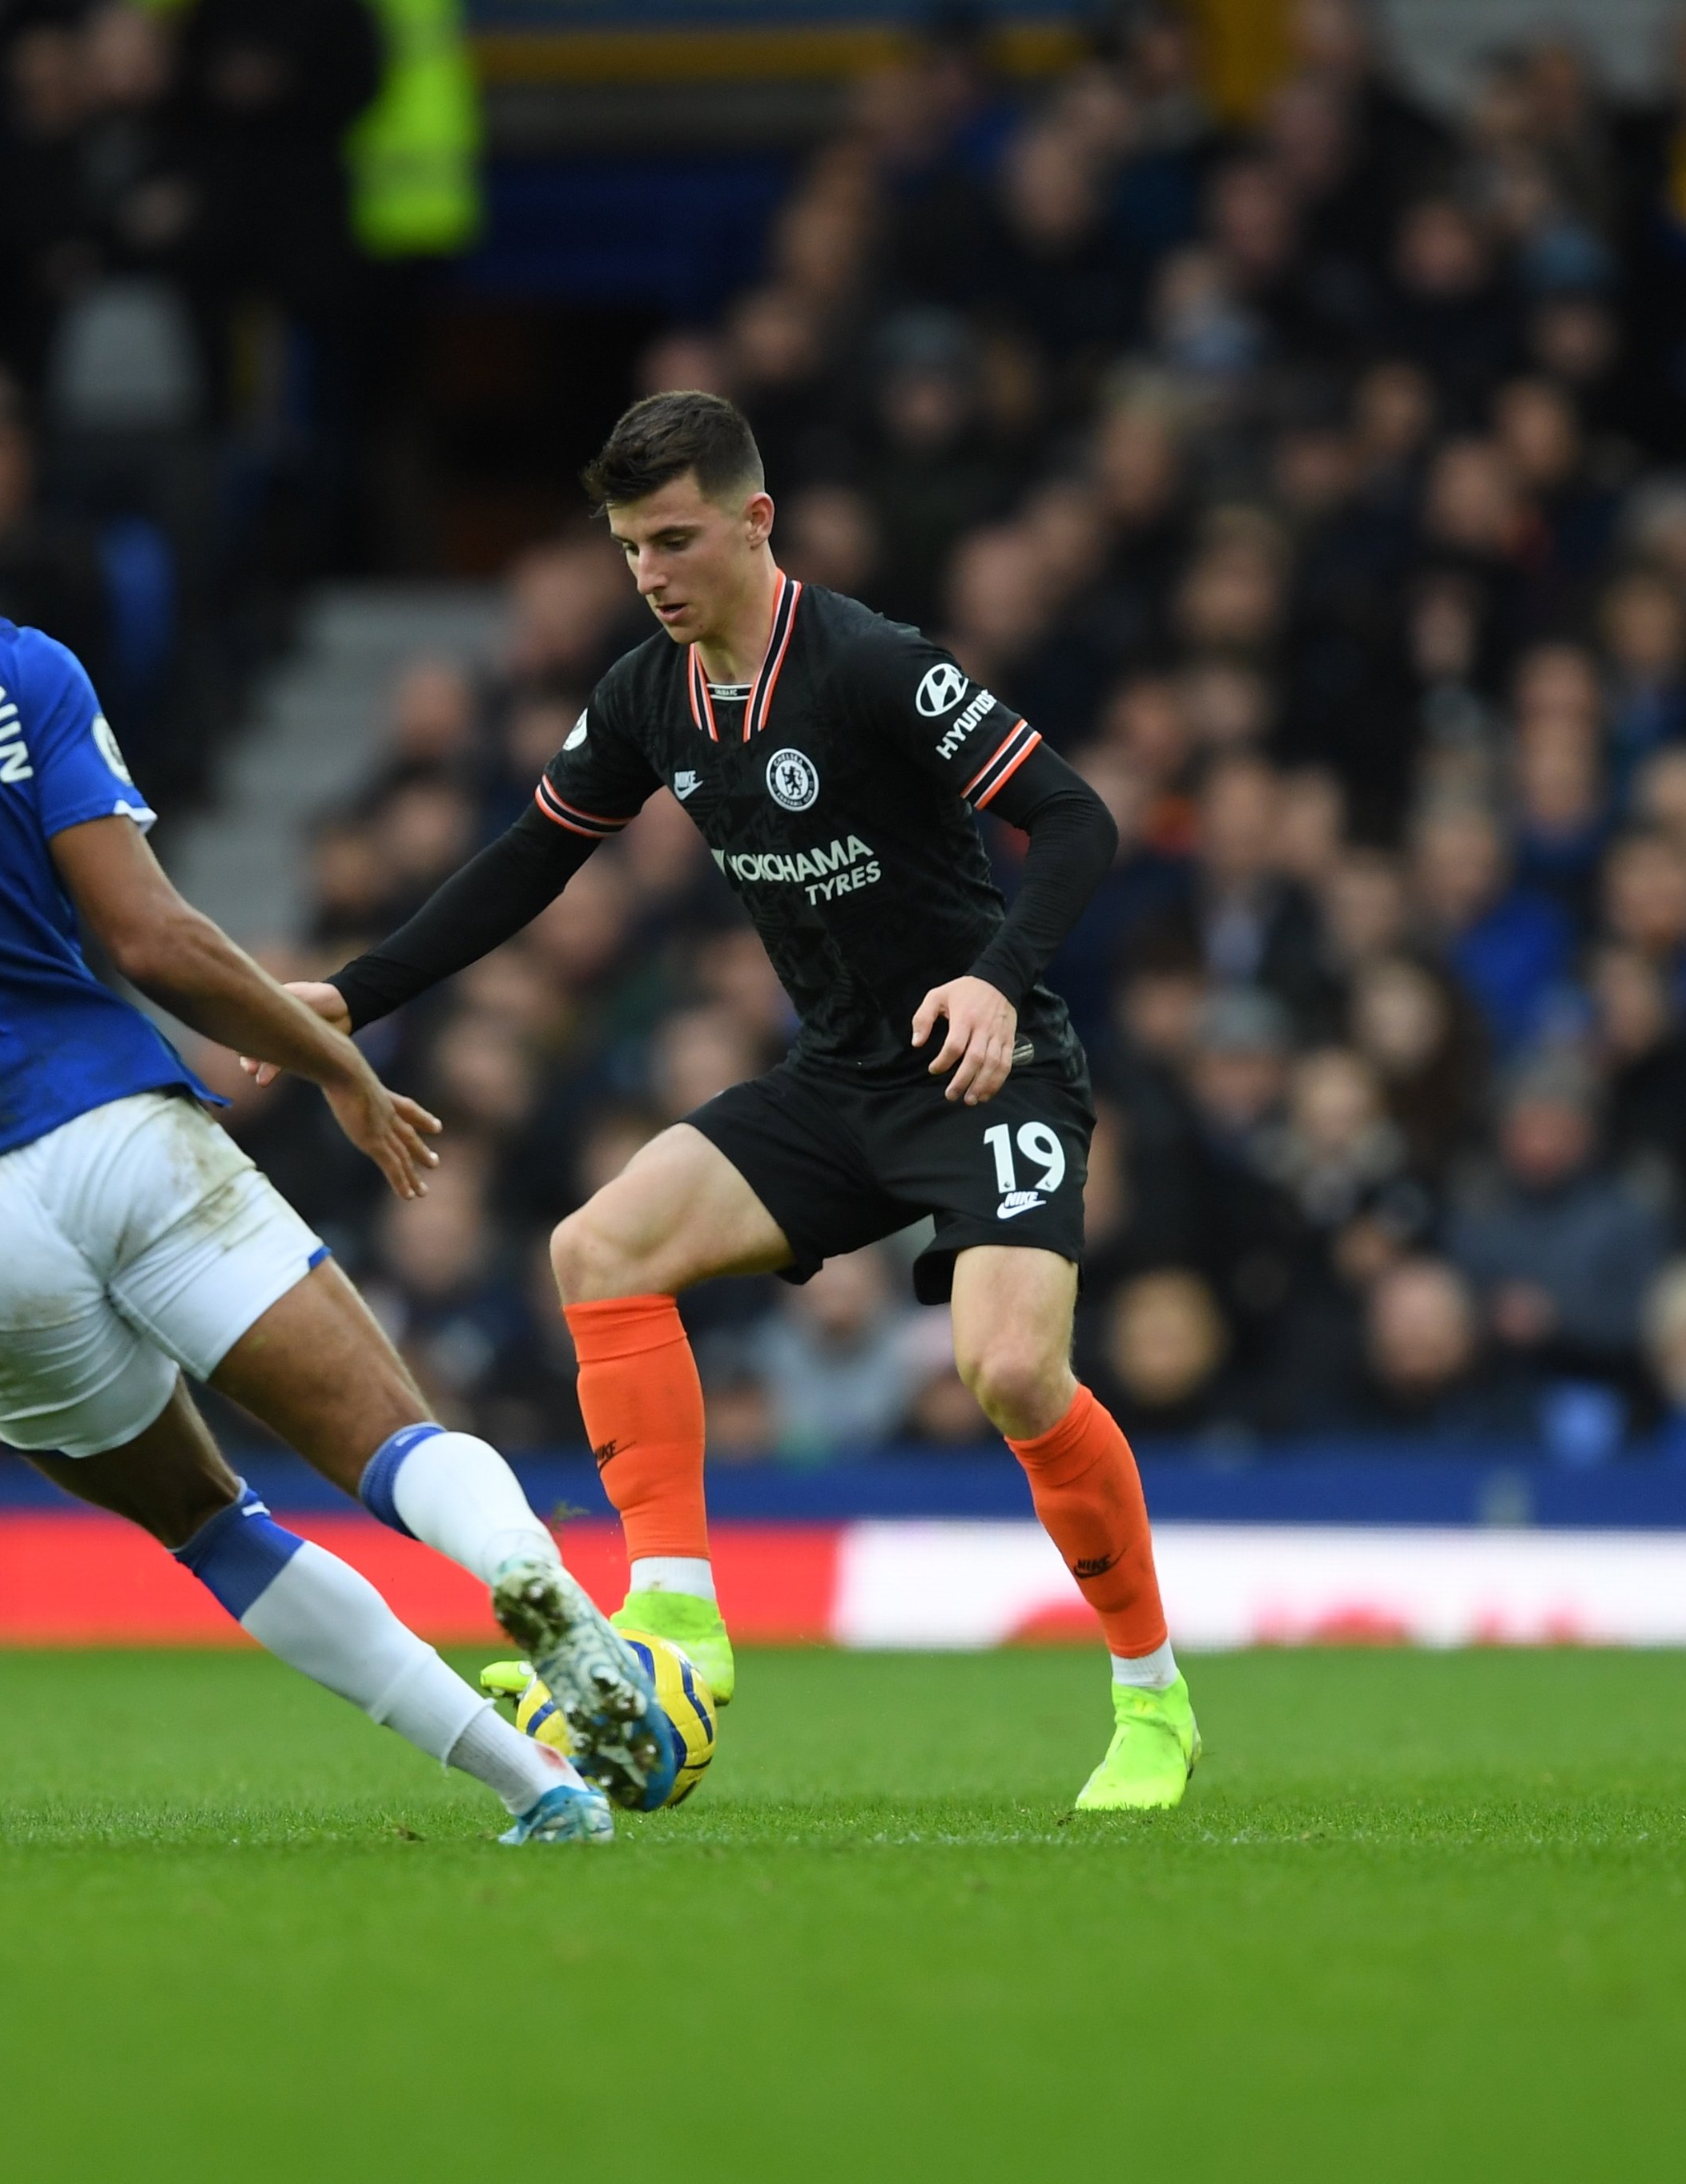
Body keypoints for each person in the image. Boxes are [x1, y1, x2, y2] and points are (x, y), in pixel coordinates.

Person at [0, 366, 654, 1844]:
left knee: (213, 1522)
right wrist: (335, 1061)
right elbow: (152, 937)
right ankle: (528, 1575)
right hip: (116, 1121)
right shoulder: (21, 668)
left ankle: (533, 1782)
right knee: (385, 1435)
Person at [259, 391, 1198, 1811]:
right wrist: (357, 993)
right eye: (631, 546)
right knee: (598, 1249)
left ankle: (1152, 1698)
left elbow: (1076, 817)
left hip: (980, 1066)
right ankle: (681, 1620)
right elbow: (530, 859)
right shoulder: (649, 693)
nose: (650, 572)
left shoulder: (875, 663)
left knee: (1010, 1369)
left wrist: (1001, 980)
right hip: (836, 1081)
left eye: (676, 539)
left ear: (757, 521)